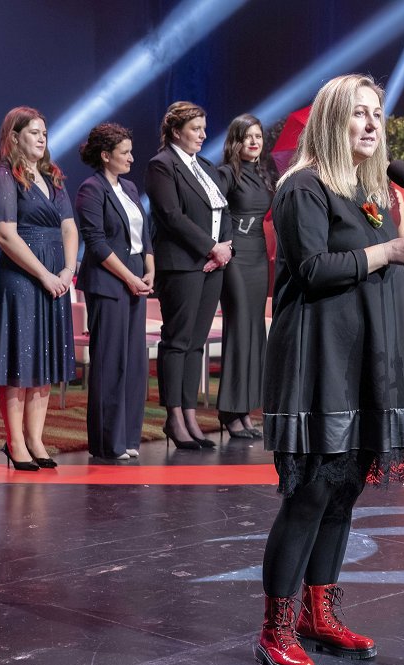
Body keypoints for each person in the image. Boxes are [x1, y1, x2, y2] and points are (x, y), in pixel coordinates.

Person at [256, 74, 404, 665]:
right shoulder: (303, 187)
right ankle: (276, 627)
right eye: (359, 113)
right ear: (334, 120)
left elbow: (382, 272)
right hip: (319, 360)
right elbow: (311, 268)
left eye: (377, 114)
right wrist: (385, 252)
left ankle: (319, 613)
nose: (371, 124)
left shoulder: (376, 192)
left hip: (367, 362)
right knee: (311, 492)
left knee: (345, 489)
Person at [0, 106, 78, 471]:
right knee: (19, 359)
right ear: (14, 136)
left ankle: (36, 439)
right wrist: (44, 275)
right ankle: (15, 442)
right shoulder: (3, 176)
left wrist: (67, 270)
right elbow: (5, 235)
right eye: (34, 132)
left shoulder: (52, 175)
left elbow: (68, 227)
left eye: (44, 133)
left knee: (45, 358)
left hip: (55, 275)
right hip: (20, 277)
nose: (41, 139)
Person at [144, 101, 231, 450]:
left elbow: (224, 210)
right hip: (181, 264)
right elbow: (171, 216)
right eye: (196, 128)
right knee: (177, 341)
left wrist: (226, 249)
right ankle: (174, 417)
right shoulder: (162, 165)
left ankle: (191, 415)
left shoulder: (205, 167)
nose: (203, 134)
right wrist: (211, 247)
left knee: (197, 343)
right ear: (176, 131)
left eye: (204, 128)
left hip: (212, 264)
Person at [74, 123, 153, 461]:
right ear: (106, 155)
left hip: (135, 278)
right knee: (110, 362)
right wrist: (129, 278)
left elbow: (144, 234)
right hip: (108, 283)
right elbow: (96, 242)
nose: (132, 158)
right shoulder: (91, 189)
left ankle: (129, 437)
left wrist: (149, 268)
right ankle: (108, 442)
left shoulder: (130, 188)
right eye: (125, 153)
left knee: (134, 362)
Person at [215, 114, 274, 439]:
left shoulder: (263, 173)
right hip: (235, 255)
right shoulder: (225, 173)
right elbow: (214, 214)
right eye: (247, 136)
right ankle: (229, 410)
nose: (254, 142)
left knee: (255, 331)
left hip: (258, 255)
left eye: (258, 136)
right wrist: (221, 246)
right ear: (235, 141)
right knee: (238, 329)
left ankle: (246, 409)